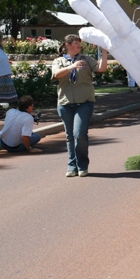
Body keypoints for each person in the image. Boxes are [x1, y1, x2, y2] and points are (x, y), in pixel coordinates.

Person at [51, 34, 107, 177]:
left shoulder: (86, 59)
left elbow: (101, 69)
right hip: (65, 103)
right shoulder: (59, 61)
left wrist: (104, 52)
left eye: (79, 42)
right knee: (70, 136)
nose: (78, 45)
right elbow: (56, 74)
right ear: (67, 45)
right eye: (75, 43)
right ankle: (72, 167)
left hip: (84, 102)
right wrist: (72, 66)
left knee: (79, 134)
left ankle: (82, 165)